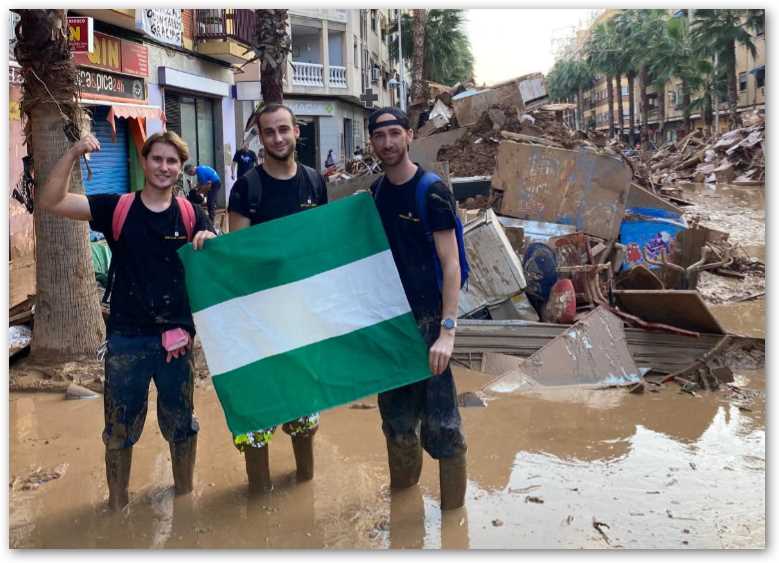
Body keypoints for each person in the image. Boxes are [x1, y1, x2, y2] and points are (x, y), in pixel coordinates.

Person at [38, 131, 217, 511]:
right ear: (145, 160)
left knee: (182, 426)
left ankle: (184, 498)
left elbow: (216, 262)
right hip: (126, 342)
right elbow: (51, 201)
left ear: (180, 168)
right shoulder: (117, 207)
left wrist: (208, 237)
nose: (164, 167)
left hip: (178, 341)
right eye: (157, 159)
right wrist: (73, 152)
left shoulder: (191, 214)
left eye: (172, 161)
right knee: (119, 432)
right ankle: (117, 506)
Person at [367, 107, 467, 511]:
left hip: (430, 325)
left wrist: (447, 332)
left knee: (443, 426)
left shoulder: (433, 191)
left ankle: (452, 520)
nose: (388, 143)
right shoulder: (374, 194)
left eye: (395, 133)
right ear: (372, 142)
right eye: (380, 136)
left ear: (409, 136)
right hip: (391, 328)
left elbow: (451, 264)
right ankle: (404, 513)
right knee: (396, 424)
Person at [227, 102, 328, 493]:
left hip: (303, 320)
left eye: (284, 129)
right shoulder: (246, 188)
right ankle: (258, 499)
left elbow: (322, 246)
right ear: (261, 137)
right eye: (269, 132)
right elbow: (237, 258)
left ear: (296, 132)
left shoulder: (315, 183)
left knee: (305, 416)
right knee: (256, 417)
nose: (278, 138)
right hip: (258, 321)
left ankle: (305, 487)